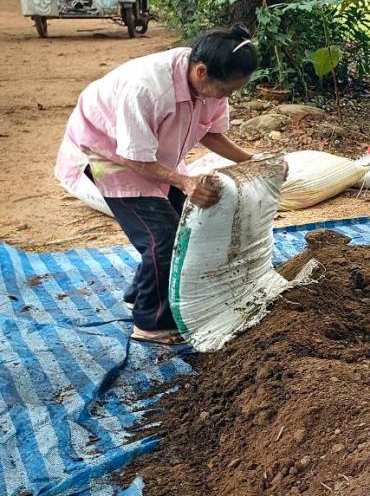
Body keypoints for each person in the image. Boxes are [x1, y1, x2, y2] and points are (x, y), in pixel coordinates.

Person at [55, 25, 261, 345]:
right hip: (104, 151)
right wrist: (184, 181)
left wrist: (249, 160)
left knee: (187, 225)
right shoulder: (148, 87)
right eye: (225, 91)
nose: (226, 97)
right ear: (202, 71)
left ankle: (138, 293)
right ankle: (149, 323)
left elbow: (210, 131)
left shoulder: (211, 81)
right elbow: (134, 158)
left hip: (148, 151)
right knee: (162, 239)